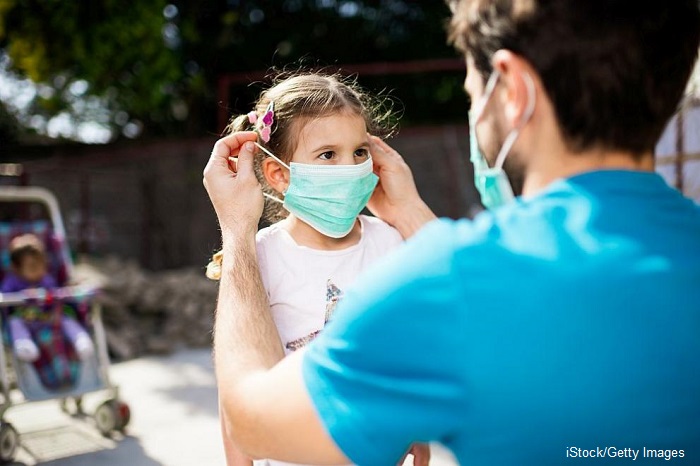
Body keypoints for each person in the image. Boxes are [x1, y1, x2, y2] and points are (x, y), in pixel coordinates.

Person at [203, 1, 700, 464]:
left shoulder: (449, 282)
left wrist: (236, 230)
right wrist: (411, 211)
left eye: (471, 92)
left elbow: (249, 415)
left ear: (513, 91)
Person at [206, 73, 429, 466]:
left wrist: (416, 431)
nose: (352, 167)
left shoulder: (392, 241)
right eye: (328, 155)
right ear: (280, 174)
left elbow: (409, 352)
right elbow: (236, 382)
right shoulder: (258, 258)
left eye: (360, 152)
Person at [1, 233, 93, 362]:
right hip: (25, 320)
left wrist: (63, 293)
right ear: (18, 268)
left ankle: (81, 340)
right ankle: (24, 346)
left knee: (65, 318)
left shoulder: (46, 280)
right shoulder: (12, 282)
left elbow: (55, 296)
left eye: (41, 265)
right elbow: (4, 297)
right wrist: (23, 296)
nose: (38, 269)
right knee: (14, 323)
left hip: (47, 319)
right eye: (32, 266)